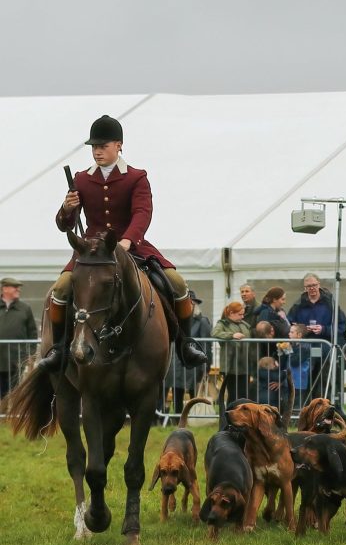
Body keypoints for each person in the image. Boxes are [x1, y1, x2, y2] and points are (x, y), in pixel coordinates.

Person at [37, 115, 207, 372]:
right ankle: (60, 348)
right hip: (93, 251)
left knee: (177, 282)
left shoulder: (136, 177)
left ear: (119, 145)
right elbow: (66, 224)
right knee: (60, 289)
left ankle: (186, 344)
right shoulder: (82, 179)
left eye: (102, 146)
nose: (97, 151)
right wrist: (66, 208)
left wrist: (128, 240)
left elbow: (142, 212)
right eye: (94, 147)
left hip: (132, 245)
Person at [288, 272, 346, 400]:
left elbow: (342, 326)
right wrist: (303, 329)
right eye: (309, 286)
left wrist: (324, 329)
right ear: (305, 288)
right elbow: (290, 325)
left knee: (326, 382)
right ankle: (307, 413)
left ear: (319, 285)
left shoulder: (330, 303)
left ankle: (326, 412)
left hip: (326, 350)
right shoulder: (298, 305)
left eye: (314, 285)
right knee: (306, 383)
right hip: (304, 352)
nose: (312, 288)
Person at [163, 290, 212, 418]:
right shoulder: (176, 321)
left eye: (191, 302)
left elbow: (206, 345)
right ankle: (177, 418)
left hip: (192, 362)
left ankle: (194, 418)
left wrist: (206, 364)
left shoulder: (202, 321)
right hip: (176, 362)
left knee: (193, 392)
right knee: (176, 390)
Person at [212, 300, 252, 428]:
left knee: (243, 393)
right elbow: (215, 333)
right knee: (232, 395)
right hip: (230, 366)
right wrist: (232, 335)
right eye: (239, 314)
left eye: (243, 314)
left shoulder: (245, 325)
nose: (242, 316)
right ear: (231, 313)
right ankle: (228, 420)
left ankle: (243, 420)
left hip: (244, 365)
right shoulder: (223, 323)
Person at [0, 277, 38, 398]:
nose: (18, 290)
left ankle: (9, 415)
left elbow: (32, 334)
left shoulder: (25, 309)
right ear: (4, 289)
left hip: (16, 360)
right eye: (15, 287)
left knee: (15, 393)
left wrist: (30, 354)